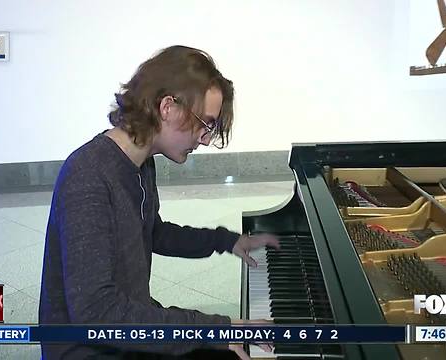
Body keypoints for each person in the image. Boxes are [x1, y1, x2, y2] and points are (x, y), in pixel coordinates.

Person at [39, 45, 279, 360]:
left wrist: (227, 240)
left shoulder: (140, 163)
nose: (205, 139)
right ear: (168, 107)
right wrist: (217, 328)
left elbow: (153, 233)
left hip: (124, 331)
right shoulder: (88, 175)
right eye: (205, 123)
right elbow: (96, 313)